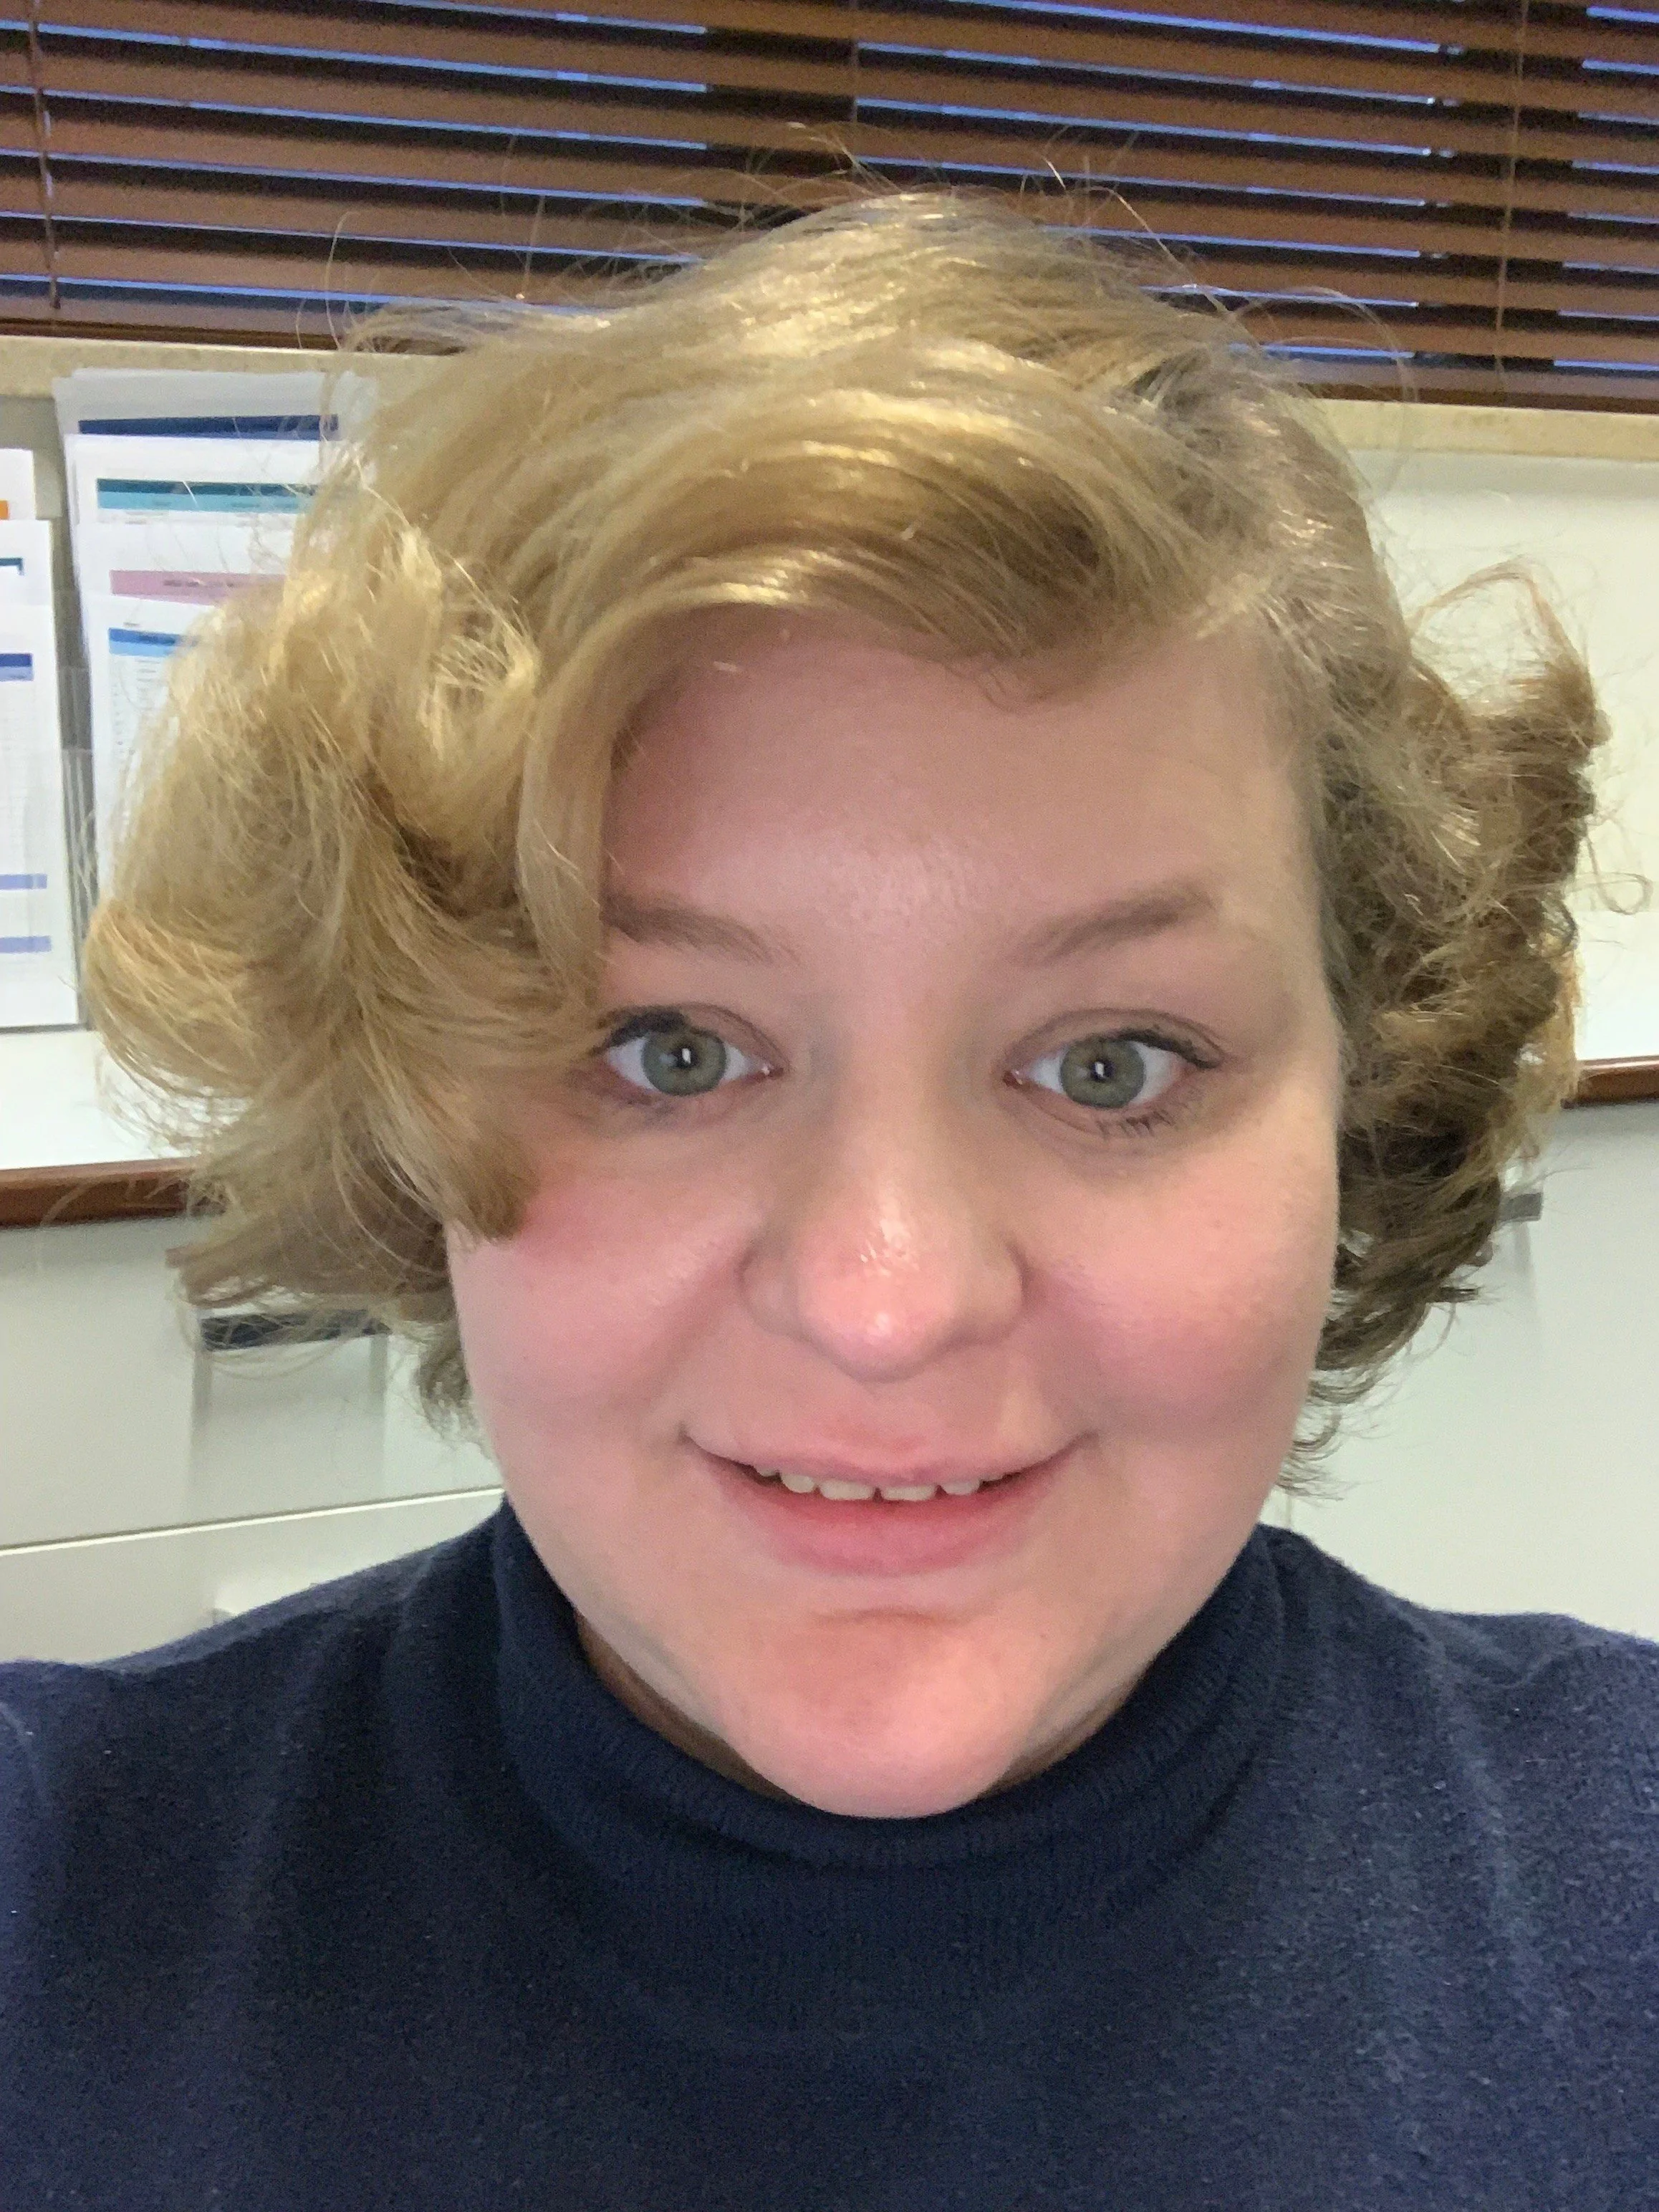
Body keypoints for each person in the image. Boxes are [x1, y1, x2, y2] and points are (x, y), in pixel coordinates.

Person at [2, 191, 1653, 2208]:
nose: (888, 1298)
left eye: (1110, 1063)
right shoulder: (61, 1909)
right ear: (409, 1100)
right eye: (672, 1050)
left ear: (1363, 1106)